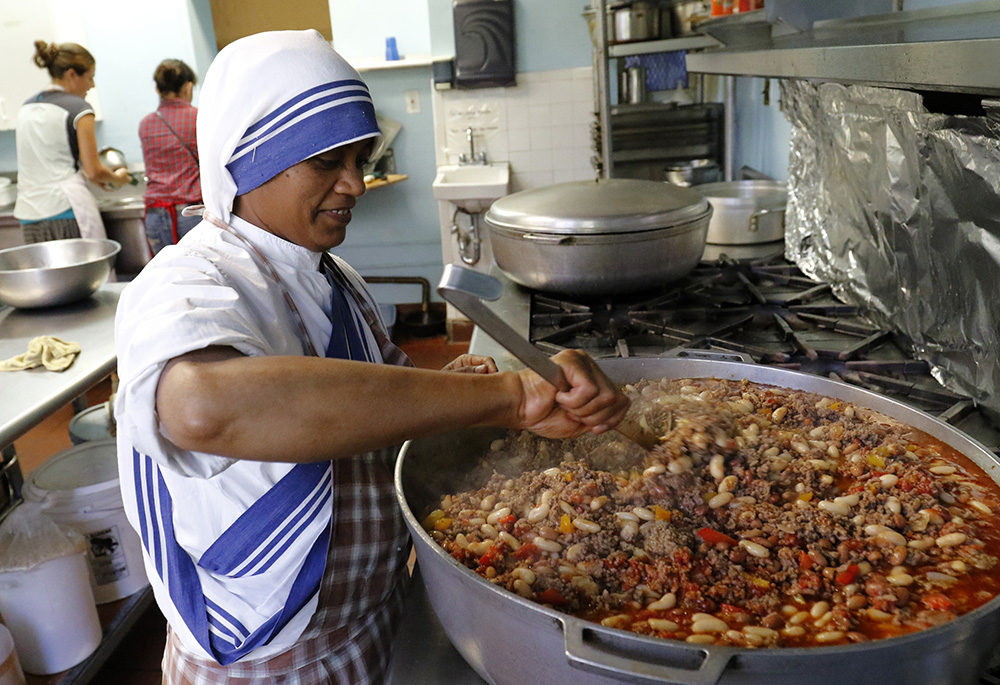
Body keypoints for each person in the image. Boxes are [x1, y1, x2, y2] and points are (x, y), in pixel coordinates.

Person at [113, 30, 629, 684]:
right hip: (266, 666)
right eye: (328, 161)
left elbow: (375, 409)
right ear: (248, 160)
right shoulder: (187, 282)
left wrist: (476, 396)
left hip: (378, 621)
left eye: (360, 156)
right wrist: (510, 398)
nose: (355, 182)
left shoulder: (338, 278)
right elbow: (202, 406)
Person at [13, 41, 132, 243]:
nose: (92, 85)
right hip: (66, 211)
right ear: (72, 74)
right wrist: (118, 178)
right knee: (83, 274)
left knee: (45, 275)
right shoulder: (79, 109)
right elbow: (93, 171)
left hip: (29, 216)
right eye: (90, 77)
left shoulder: (26, 107)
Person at [138, 58, 202, 255]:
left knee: (169, 278)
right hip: (191, 214)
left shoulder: (146, 123)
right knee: (201, 276)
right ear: (188, 87)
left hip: (156, 216)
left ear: (157, 89)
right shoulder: (199, 118)